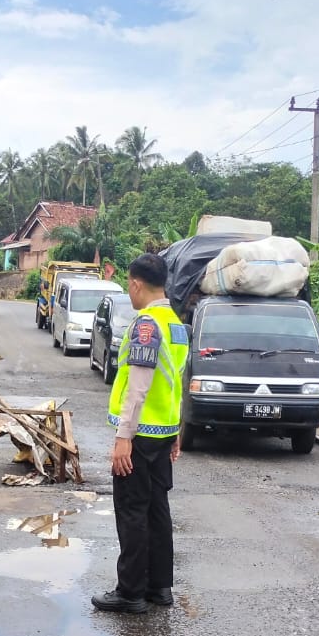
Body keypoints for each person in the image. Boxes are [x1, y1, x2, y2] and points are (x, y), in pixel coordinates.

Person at [94, 251, 188, 614]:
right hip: (162, 432)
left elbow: (139, 385)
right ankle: (159, 587)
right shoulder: (175, 323)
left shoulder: (146, 325)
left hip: (140, 436)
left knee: (132, 511)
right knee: (157, 511)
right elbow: (176, 382)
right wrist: (176, 430)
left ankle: (130, 591)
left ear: (136, 283)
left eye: (128, 286)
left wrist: (123, 437)